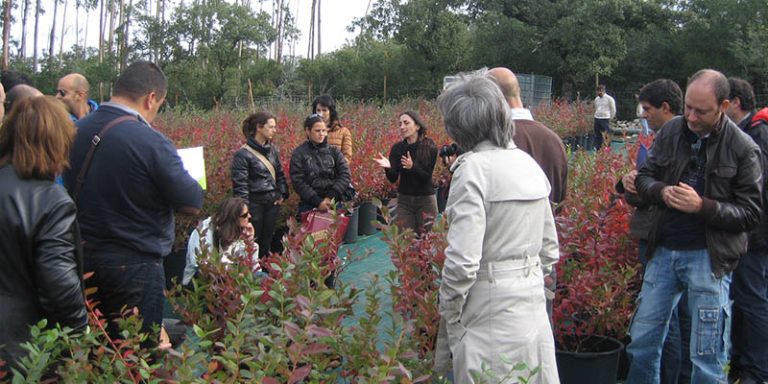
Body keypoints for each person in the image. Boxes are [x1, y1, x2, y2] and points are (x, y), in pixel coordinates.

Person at [627, 69, 763, 384]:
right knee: (642, 342)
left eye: (700, 111)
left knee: (707, 355)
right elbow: (646, 176)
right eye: (688, 106)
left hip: (708, 258)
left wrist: (703, 206)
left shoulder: (743, 148)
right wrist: (659, 190)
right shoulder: (672, 131)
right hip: (662, 251)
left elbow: (751, 214)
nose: (690, 116)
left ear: (724, 105)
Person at [64, 61, 203, 344]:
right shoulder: (149, 141)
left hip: (82, 260)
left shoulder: (75, 131)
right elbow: (191, 201)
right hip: (134, 267)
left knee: (99, 349)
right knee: (139, 351)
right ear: (151, 98)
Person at [434, 69, 560, 383]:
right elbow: (550, 249)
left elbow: (463, 262)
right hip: (531, 306)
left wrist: (449, 310)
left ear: (459, 125)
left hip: (488, 309)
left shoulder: (472, 170)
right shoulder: (527, 164)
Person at [0, 96, 87, 372]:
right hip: (24, 347)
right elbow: (58, 283)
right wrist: (79, 333)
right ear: (58, 141)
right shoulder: (51, 202)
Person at [618, 78, 689, 384]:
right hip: (661, 237)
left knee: (662, 322)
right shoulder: (668, 139)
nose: (643, 115)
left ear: (665, 107)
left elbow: (663, 194)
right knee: (674, 320)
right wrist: (631, 183)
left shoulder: (676, 141)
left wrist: (637, 185)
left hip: (662, 240)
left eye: (647, 109)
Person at [725, 77, 768, 384]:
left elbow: (757, 192)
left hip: (755, 234)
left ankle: (755, 370)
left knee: (753, 300)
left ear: (735, 102)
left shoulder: (757, 134)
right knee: (745, 297)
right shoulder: (751, 131)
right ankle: (742, 362)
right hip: (753, 231)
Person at [231, 111, 289, 258]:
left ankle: (263, 272)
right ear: (259, 127)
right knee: (251, 242)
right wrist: (244, 211)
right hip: (255, 205)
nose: (274, 130)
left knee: (266, 241)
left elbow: (279, 173)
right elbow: (240, 185)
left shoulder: (272, 150)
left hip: (272, 203)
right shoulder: (243, 155)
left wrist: (282, 193)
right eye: (271, 127)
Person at [374, 111, 438, 234]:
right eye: (400, 124)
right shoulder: (397, 149)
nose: (402, 127)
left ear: (417, 126)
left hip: (425, 200)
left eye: (406, 123)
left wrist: (412, 166)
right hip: (404, 201)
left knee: (427, 241)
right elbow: (393, 178)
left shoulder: (428, 146)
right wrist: (388, 167)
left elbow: (426, 176)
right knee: (406, 240)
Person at [182, 197, 259, 286]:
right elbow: (201, 265)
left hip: (229, 280)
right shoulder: (204, 231)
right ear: (233, 218)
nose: (249, 216)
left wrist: (250, 243)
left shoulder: (239, 230)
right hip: (202, 283)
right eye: (245, 215)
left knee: (260, 277)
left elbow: (253, 269)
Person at [290, 114, 351, 215]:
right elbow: (298, 182)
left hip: (335, 202)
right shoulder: (299, 154)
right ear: (308, 131)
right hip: (310, 203)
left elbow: (345, 174)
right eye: (317, 131)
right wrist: (318, 202)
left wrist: (330, 197)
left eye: (324, 130)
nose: (321, 134)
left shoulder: (334, 151)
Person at [312, 95, 352, 164]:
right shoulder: (311, 131)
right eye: (318, 110)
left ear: (331, 112)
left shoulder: (343, 132)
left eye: (324, 110)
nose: (321, 113)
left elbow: (347, 157)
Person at [593, 84, 616, 150]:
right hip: (597, 118)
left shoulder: (609, 99)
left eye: (600, 91)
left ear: (603, 91)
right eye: (598, 91)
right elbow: (596, 107)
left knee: (606, 135)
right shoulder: (596, 99)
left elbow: (613, 109)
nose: (599, 93)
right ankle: (598, 149)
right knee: (597, 135)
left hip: (605, 119)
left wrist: (610, 117)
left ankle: (607, 148)